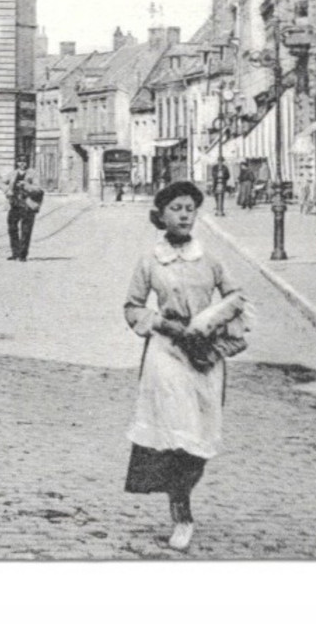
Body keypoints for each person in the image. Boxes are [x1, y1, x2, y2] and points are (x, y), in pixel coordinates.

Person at [123, 180, 245, 552]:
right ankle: (182, 514)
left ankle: (182, 496)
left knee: (199, 440)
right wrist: (161, 323)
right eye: (176, 208)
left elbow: (236, 298)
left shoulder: (209, 259)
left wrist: (216, 330)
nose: (184, 215)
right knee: (175, 437)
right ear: (160, 216)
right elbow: (132, 307)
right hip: (166, 356)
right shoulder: (150, 261)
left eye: (190, 208)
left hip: (204, 358)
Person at [5, 157, 44, 261]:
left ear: (27, 163)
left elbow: (38, 189)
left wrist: (26, 185)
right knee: (12, 228)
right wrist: (7, 190)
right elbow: (0, 182)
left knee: (26, 231)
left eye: (24, 162)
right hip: (15, 204)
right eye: (20, 162)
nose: (22, 164)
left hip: (28, 205)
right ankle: (15, 253)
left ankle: (23, 255)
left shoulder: (33, 174)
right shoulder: (12, 174)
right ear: (17, 163)